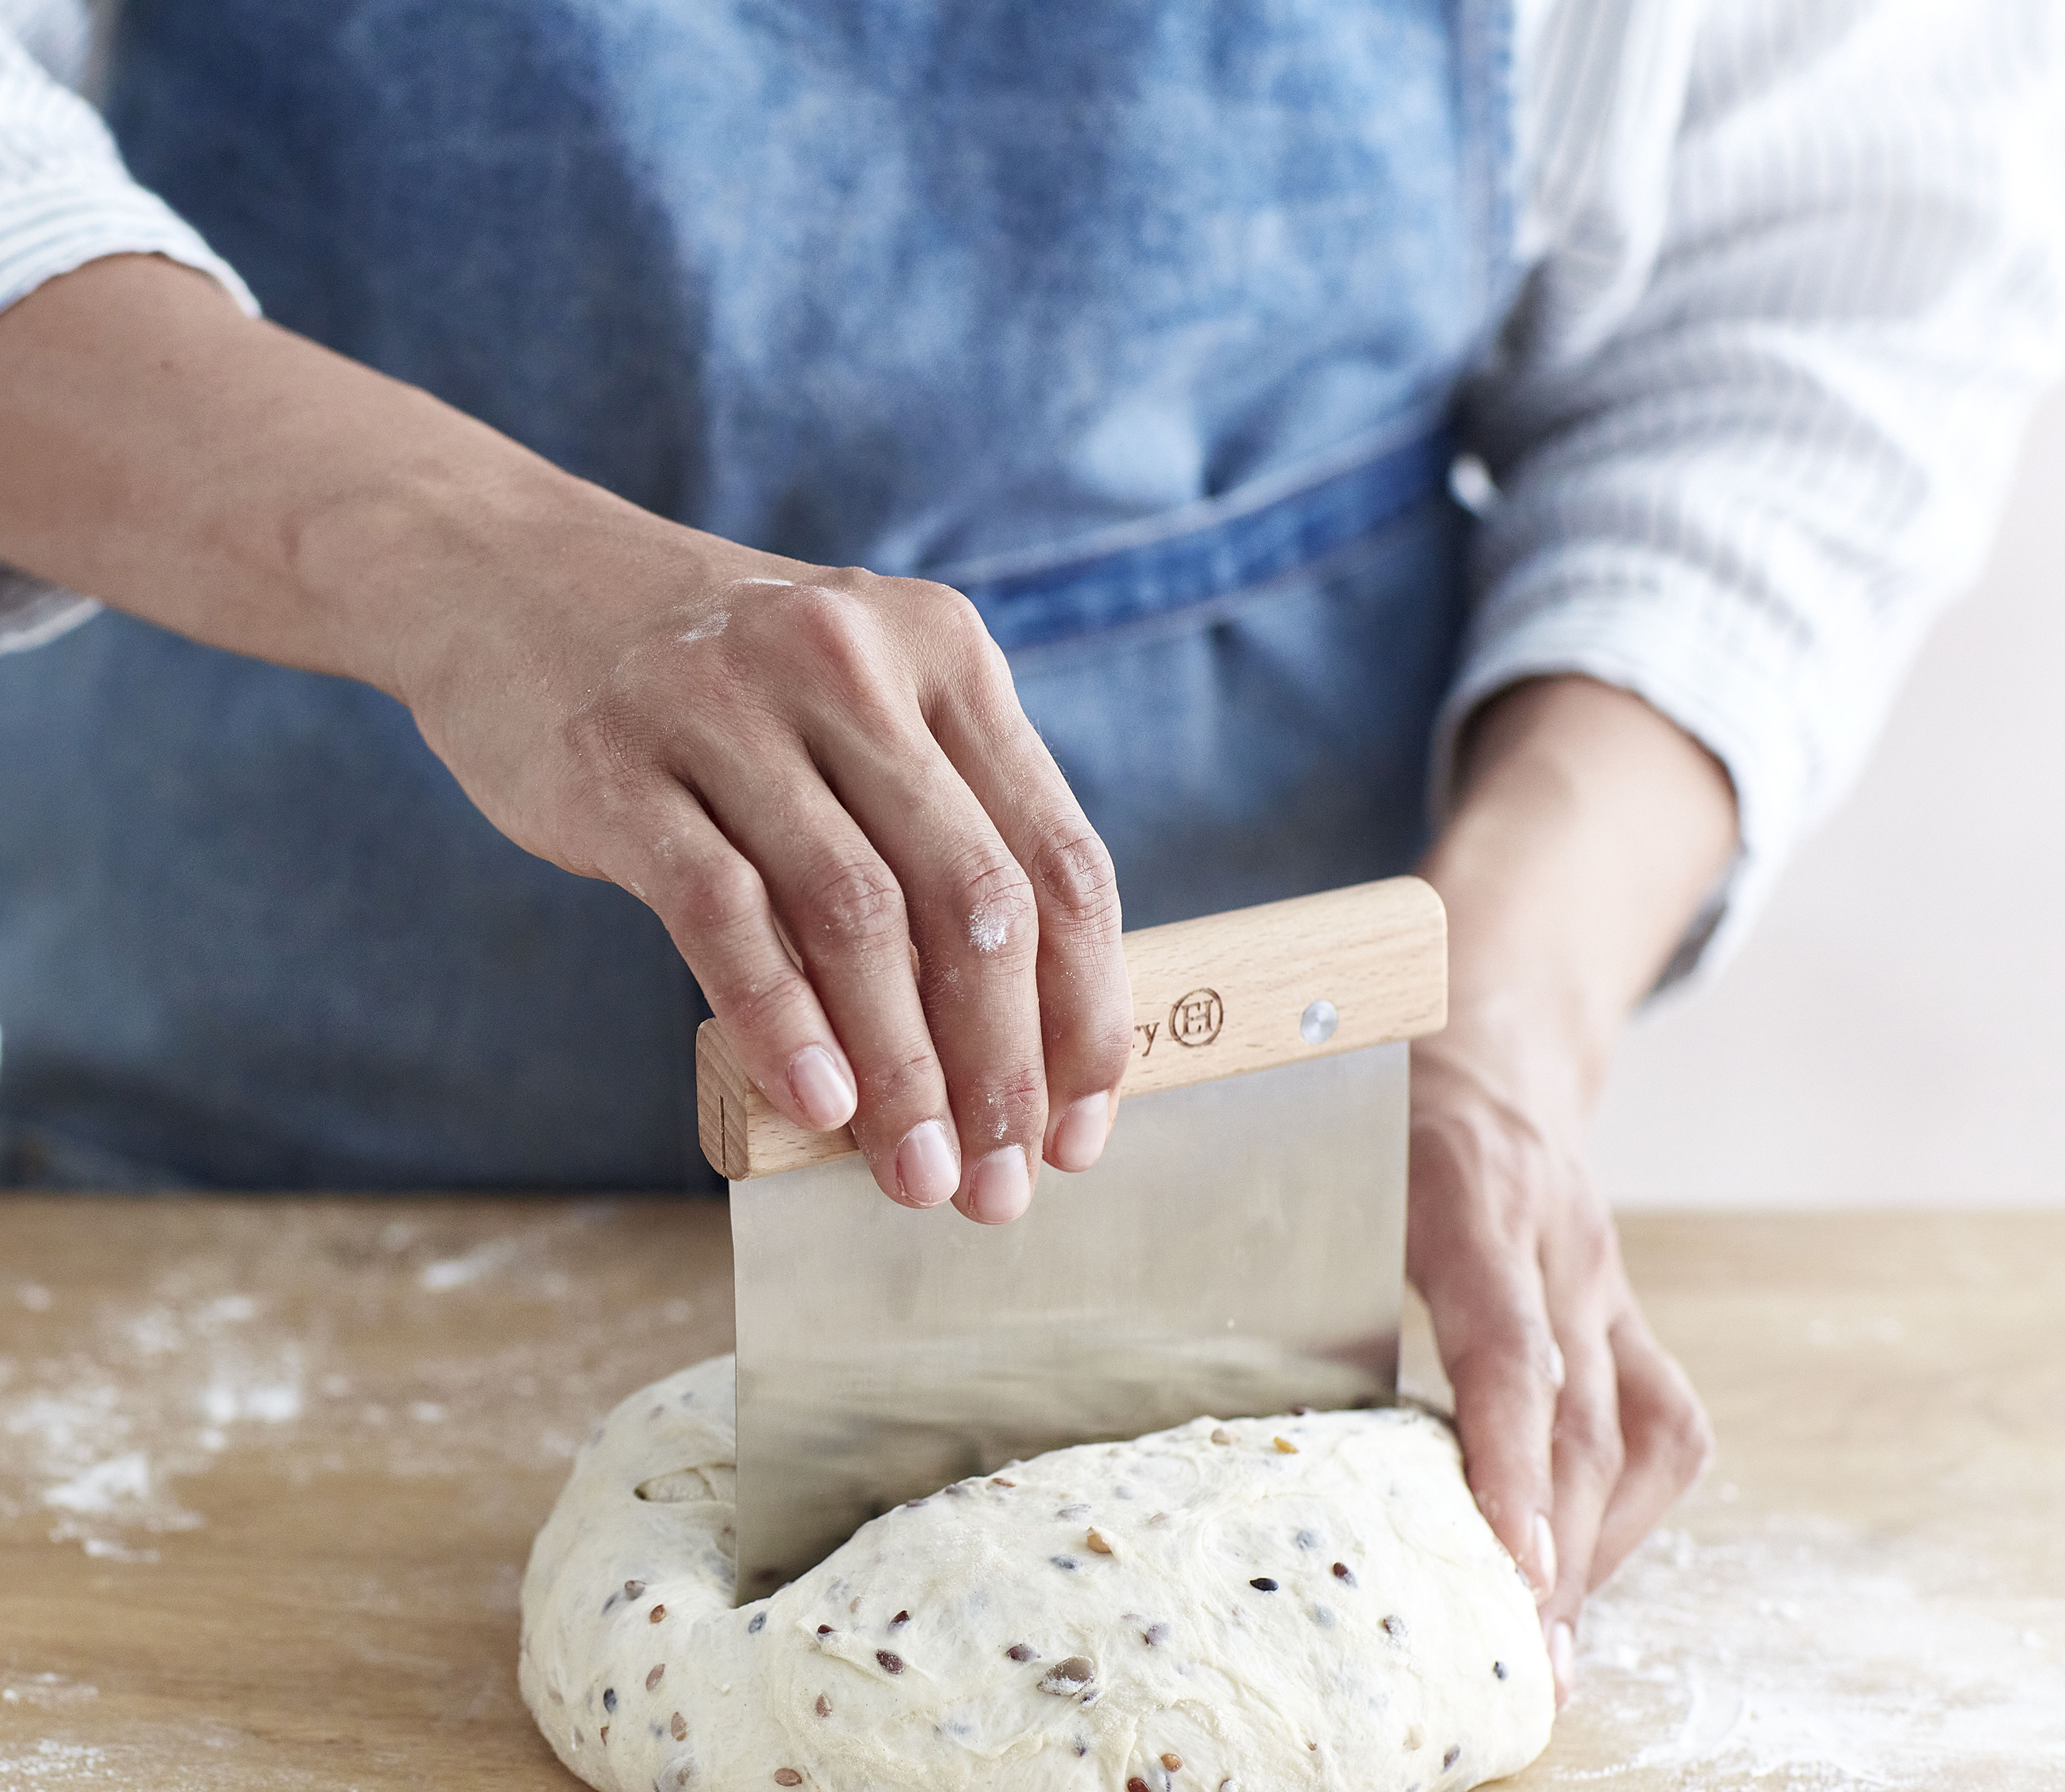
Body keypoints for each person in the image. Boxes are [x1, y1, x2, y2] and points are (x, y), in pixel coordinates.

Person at [0, 1, 2057, 1705]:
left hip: (1254, 1172)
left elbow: (1815, 287)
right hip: (220, 1134)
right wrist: (447, 555)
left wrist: (1491, 1013)